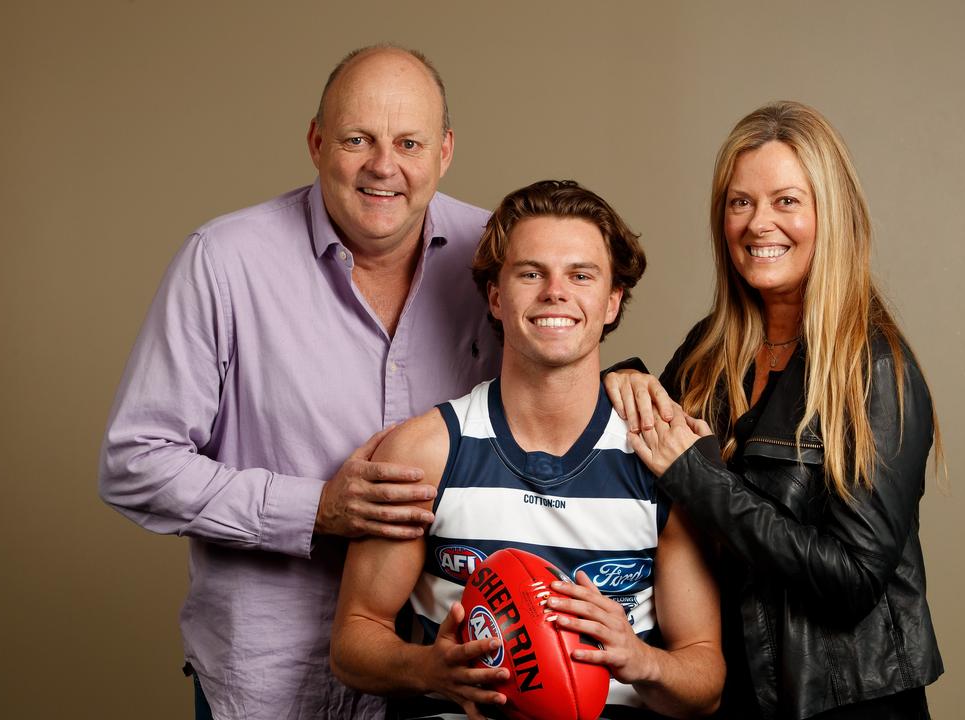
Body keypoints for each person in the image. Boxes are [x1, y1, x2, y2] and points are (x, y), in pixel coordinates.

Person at [98, 45, 501, 719]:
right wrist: (314, 509)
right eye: (356, 139)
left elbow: (552, 401)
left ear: (446, 150)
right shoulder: (224, 263)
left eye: (409, 142)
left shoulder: (496, 254)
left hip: (450, 676)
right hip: (272, 684)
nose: (384, 166)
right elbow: (134, 463)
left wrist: (626, 389)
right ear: (317, 142)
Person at [331, 180, 725, 720]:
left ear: (612, 302)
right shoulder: (425, 453)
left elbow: (705, 680)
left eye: (581, 275)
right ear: (496, 295)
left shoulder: (661, 459)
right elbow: (354, 641)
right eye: (531, 273)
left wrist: (640, 660)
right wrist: (429, 670)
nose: (555, 292)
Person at [606, 101, 945, 719]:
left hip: (845, 705)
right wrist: (619, 377)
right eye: (740, 203)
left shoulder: (874, 370)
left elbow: (853, 582)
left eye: (786, 201)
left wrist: (700, 479)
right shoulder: (712, 347)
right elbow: (652, 461)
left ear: (830, 216)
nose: (758, 223)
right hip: (733, 695)